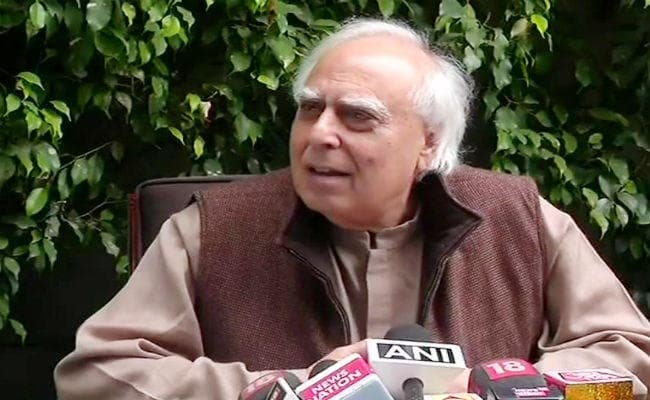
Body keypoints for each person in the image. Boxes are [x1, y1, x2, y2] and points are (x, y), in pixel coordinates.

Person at [54, 18, 650, 400]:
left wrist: (502, 389)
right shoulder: (213, 228)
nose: (319, 135)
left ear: (428, 146)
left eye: (358, 117)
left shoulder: (519, 218)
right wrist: (282, 391)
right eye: (311, 109)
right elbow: (99, 373)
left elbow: (628, 359)